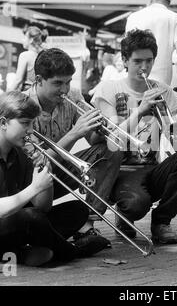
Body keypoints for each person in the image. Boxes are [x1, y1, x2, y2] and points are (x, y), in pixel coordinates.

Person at [0, 91, 109, 267]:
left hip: (5, 222)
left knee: (78, 210)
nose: (31, 130)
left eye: (32, 123)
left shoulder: (19, 151)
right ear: (3, 123)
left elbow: (43, 206)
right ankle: (70, 251)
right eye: (25, 123)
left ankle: (25, 251)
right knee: (30, 218)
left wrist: (43, 170)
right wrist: (33, 188)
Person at [92, 29, 177, 244]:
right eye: (137, 61)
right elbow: (112, 138)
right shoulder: (109, 88)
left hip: (150, 168)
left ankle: (162, 221)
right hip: (120, 170)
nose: (144, 68)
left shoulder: (163, 90)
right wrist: (140, 111)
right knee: (135, 206)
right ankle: (125, 212)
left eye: (149, 61)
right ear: (124, 60)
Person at [24, 48, 123, 248]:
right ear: (39, 79)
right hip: (29, 180)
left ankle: (87, 224)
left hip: (59, 170)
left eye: (68, 82)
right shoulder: (23, 106)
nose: (65, 90)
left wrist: (106, 127)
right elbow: (36, 162)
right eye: (58, 83)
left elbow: (93, 140)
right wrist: (74, 133)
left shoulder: (74, 95)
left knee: (111, 149)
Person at [8, 25, 48, 91]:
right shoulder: (44, 56)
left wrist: (6, 95)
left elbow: (18, 80)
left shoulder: (25, 55)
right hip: (41, 93)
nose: (22, 40)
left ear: (31, 40)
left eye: (24, 37)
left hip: (28, 93)